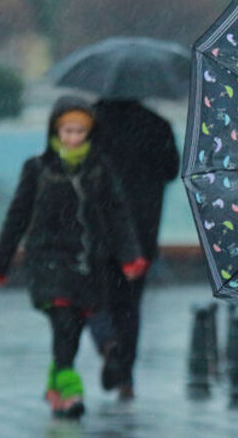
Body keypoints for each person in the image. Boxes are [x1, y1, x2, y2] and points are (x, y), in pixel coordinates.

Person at [0, 95, 144, 417]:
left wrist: (130, 256)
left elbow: (118, 215)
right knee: (64, 322)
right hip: (47, 262)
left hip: (87, 263)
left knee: (71, 323)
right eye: (67, 131)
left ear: (89, 133)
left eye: (79, 132)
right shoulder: (37, 169)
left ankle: (56, 386)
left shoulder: (99, 170)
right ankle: (71, 391)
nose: (72, 138)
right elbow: (17, 217)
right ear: (55, 131)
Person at [84, 95, 179, 400]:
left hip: (98, 227)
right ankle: (126, 378)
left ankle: (107, 342)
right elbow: (171, 171)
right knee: (130, 305)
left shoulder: (90, 122)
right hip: (141, 231)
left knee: (95, 296)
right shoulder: (157, 125)